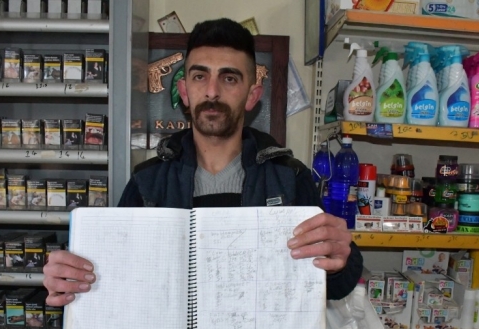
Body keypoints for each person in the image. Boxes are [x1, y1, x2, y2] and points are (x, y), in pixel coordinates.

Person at [43, 18, 364, 308]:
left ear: (252, 95)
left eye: (229, 78)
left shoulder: (289, 179)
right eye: (200, 76)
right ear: (184, 91)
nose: (212, 92)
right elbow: (113, 277)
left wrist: (341, 259)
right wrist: (71, 276)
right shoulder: (147, 183)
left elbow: (334, 287)